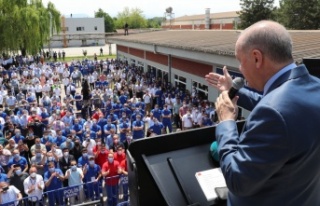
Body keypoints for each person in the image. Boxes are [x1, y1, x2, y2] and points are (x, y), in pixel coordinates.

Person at [205, 20, 320, 206]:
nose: (240, 70)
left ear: (257, 58)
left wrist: (226, 123)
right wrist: (233, 90)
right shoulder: (313, 86)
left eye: (241, 62)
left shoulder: (274, 113)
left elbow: (237, 181)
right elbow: (280, 107)